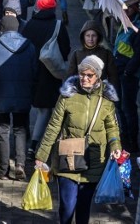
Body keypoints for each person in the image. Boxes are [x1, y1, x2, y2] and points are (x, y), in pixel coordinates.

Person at [35, 55, 122, 224]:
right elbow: (53, 126)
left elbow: (112, 128)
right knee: (67, 206)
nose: (85, 78)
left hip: (95, 160)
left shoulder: (106, 100)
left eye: (90, 75)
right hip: (68, 157)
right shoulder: (67, 96)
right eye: (82, 74)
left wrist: (115, 146)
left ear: (98, 77)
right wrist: (41, 156)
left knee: (83, 206)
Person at [0, 15, 37, 180]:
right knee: (20, 129)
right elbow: (35, 71)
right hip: (23, 94)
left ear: (2, 27)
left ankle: (4, 168)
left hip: (0, 94)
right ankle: (20, 164)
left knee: (2, 130)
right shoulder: (29, 46)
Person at [22, 0, 70, 157]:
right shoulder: (57, 25)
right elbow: (66, 49)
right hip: (50, 74)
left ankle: (28, 142)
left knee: (33, 109)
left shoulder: (29, 25)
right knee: (48, 110)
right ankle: (40, 145)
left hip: (30, 71)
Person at [113, 3, 140, 153]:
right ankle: (124, 137)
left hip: (128, 74)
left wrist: (128, 71)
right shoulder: (127, 21)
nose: (125, 11)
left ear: (136, 8)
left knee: (128, 108)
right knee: (119, 106)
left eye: (128, 8)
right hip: (120, 69)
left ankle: (132, 143)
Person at [67, 20, 119, 93]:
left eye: (93, 35)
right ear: (83, 37)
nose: (90, 39)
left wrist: (111, 95)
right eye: (88, 35)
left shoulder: (106, 54)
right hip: (81, 96)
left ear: (98, 37)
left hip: (100, 96)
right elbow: (70, 78)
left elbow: (113, 78)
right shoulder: (77, 54)